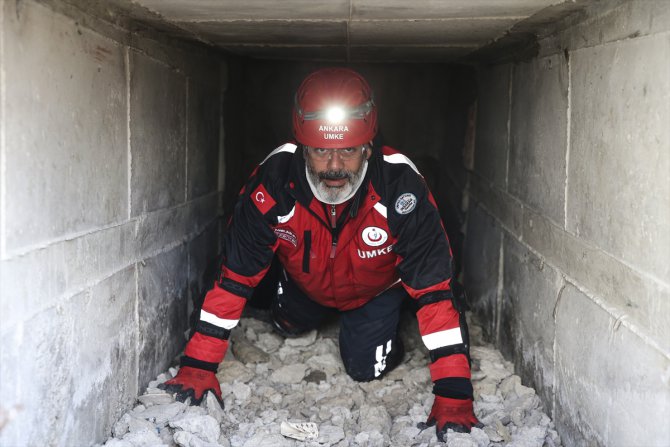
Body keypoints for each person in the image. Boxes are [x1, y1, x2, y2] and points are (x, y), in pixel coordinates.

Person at [160, 67, 479, 441]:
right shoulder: (275, 180)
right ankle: (291, 300)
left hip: (374, 292)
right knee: (285, 326)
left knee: (366, 370)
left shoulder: (400, 187)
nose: (334, 167)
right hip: (303, 284)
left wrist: (454, 396)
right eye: (321, 151)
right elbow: (234, 276)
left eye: (347, 150)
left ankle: (393, 317)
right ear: (302, 147)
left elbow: (435, 292)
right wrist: (199, 365)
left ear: (368, 147)